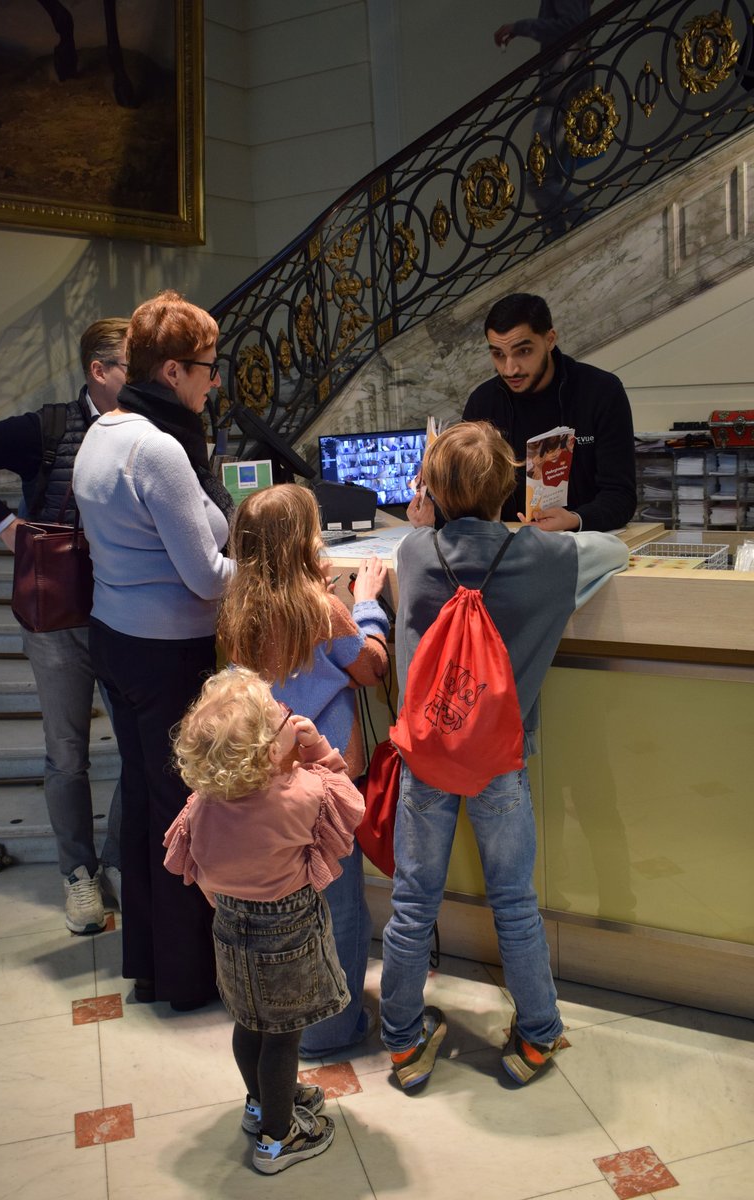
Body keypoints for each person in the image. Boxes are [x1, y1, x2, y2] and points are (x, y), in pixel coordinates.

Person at [381, 420, 628, 1090]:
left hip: (426, 755)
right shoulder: (543, 559)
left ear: (432, 490)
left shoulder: (414, 551)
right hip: (498, 760)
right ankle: (538, 1035)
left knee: (412, 902)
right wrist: (545, 526)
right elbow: (614, 548)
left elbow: (420, 547)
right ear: (509, 486)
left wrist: (424, 519)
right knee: (515, 900)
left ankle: (403, 1043)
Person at [73, 289, 236, 1010]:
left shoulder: (103, 431)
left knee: (145, 802)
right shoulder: (160, 449)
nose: (214, 382)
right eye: (207, 367)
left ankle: (149, 964)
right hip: (167, 648)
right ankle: (186, 978)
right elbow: (206, 576)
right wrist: (268, 570)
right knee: (182, 810)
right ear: (172, 371)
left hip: (116, 638)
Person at [0, 318, 129, 934]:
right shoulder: (48, 428)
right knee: (67, 754)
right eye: (130, 365)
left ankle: (117, 861)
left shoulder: (149, 428)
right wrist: (6, 527)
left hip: (126, 610)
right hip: (57, 614)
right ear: (98, 371)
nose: (142, 377)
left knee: (143, 746)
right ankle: (78, 875)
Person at [164, 667, 365, 1174]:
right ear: (270, 753)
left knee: (249, 1023)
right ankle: (278, 1138)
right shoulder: (300, 795)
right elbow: (350, 801)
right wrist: (316, 747)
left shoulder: (202, 807)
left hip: (230, 930)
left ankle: (260, 1103)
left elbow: (197, 869)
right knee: (282, 1036)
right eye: (281, 719)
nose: (290, 717)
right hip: (288, 933)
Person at [218, 483, 389, 1057]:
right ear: (302, 546)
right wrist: (366, 605)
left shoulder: (238, 612)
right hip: (327, 780)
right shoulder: (324, 610)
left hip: (268, 781)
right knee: (340, 905)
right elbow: (371, 667)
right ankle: (334, 1028)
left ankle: (293, 1018)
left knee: (293, 903)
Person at [462, 293, 637, 531]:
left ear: (550, 339)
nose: (510, 369)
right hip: (504, 542)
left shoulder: (601, 391)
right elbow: (466, 495)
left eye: (523, 351)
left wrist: (575, 519)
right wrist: (433, 510)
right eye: (498, 354)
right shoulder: (483, 402)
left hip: (585, 541)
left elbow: (620, 496)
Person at [494, 3, 593, 235]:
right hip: (567, 87)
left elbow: (570, 26)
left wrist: (518, 27)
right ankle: (555, 240)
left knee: (538, 181)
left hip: (562, 90)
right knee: (547, 179)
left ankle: (592, 222)